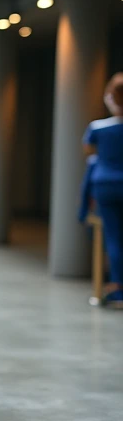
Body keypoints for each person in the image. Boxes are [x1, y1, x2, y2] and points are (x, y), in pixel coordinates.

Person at [81, 74, 123, 308]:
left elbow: (89, 153)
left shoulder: (98, 128)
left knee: (114, 237)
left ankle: (117, 287)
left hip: (106, 184)